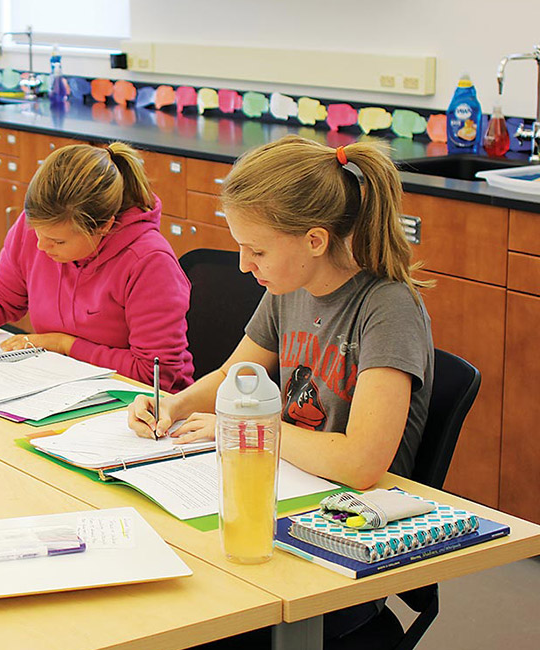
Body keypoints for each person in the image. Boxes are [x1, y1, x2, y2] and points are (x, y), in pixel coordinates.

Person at [129, 134, 433, 646]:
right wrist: (173, 404)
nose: (245, 265)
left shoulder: (388, 309)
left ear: (314, 241)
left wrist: (244, 428)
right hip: (285, 500)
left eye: (257, 250)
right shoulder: (290, 287)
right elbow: (233, 377)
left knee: (195, 620)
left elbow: (362, 462)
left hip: (341, 544)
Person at [0, 142, 194, 391]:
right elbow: (0, 295)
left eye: (57, 241)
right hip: (59, 384)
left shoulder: (149, 262)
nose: (40, 246)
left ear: (104, 226)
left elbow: (153, 374)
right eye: (36, 231)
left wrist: (63, 345)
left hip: (138, 408)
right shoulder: (40, 228)